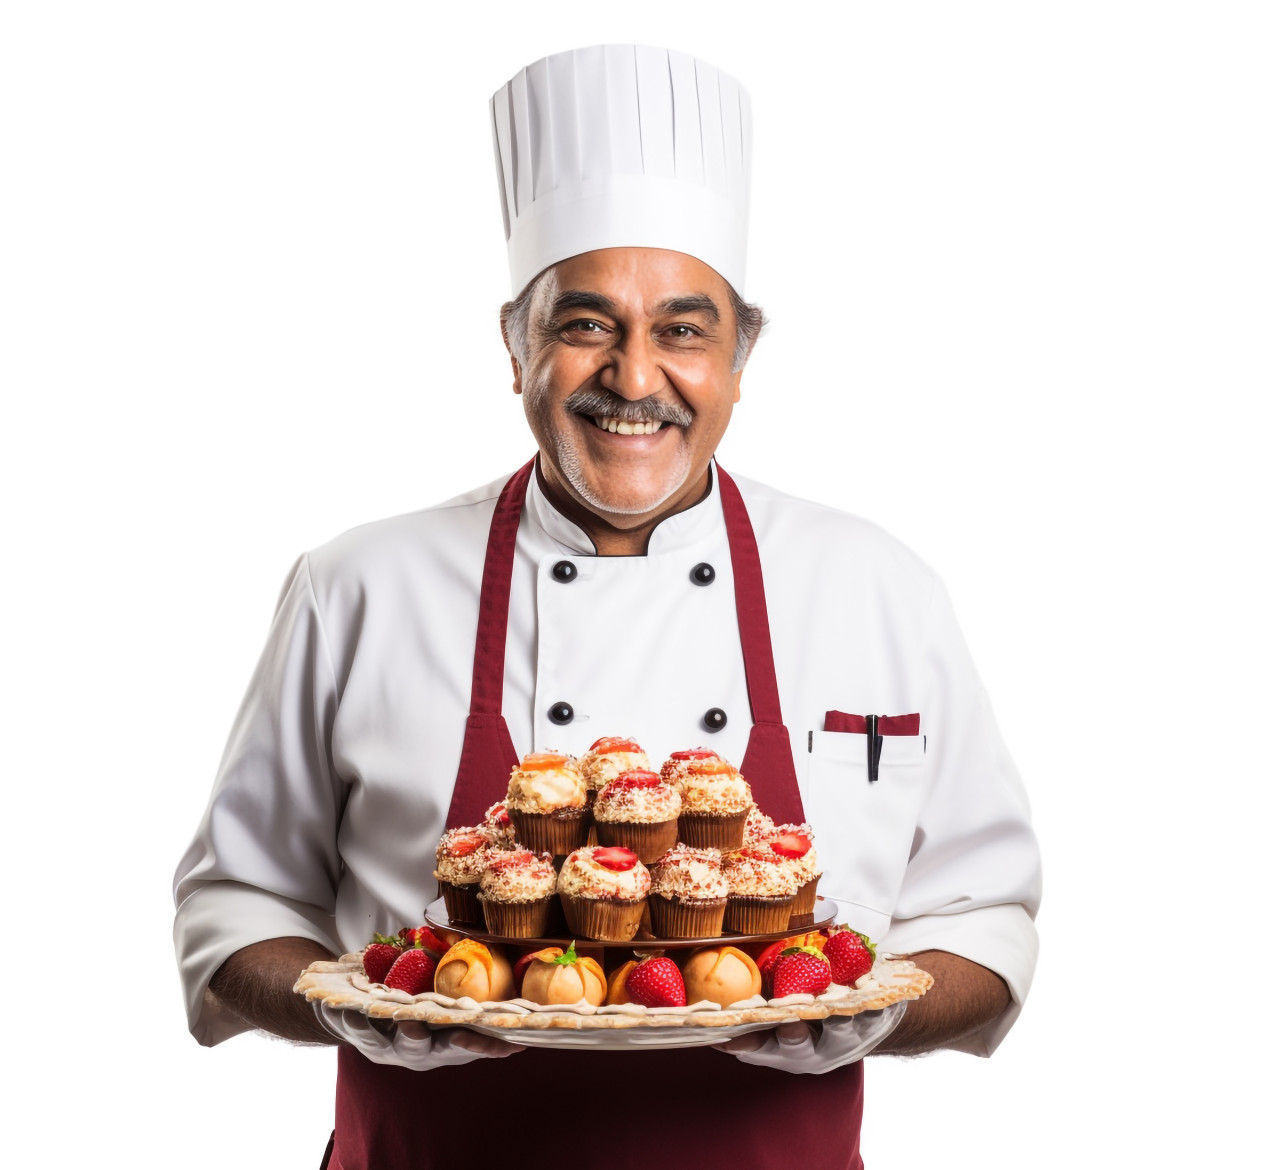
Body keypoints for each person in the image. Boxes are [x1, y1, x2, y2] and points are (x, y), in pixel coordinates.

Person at [173, 45, 1040, 1170]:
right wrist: (347, 1005)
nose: (634, 379)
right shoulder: (356, 586)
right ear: (514, 343)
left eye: (683, 329)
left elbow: (985, 923)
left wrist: (870, 1015)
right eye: (584, 323)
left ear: (741, 356)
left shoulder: (876, 587)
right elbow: (235, 905)